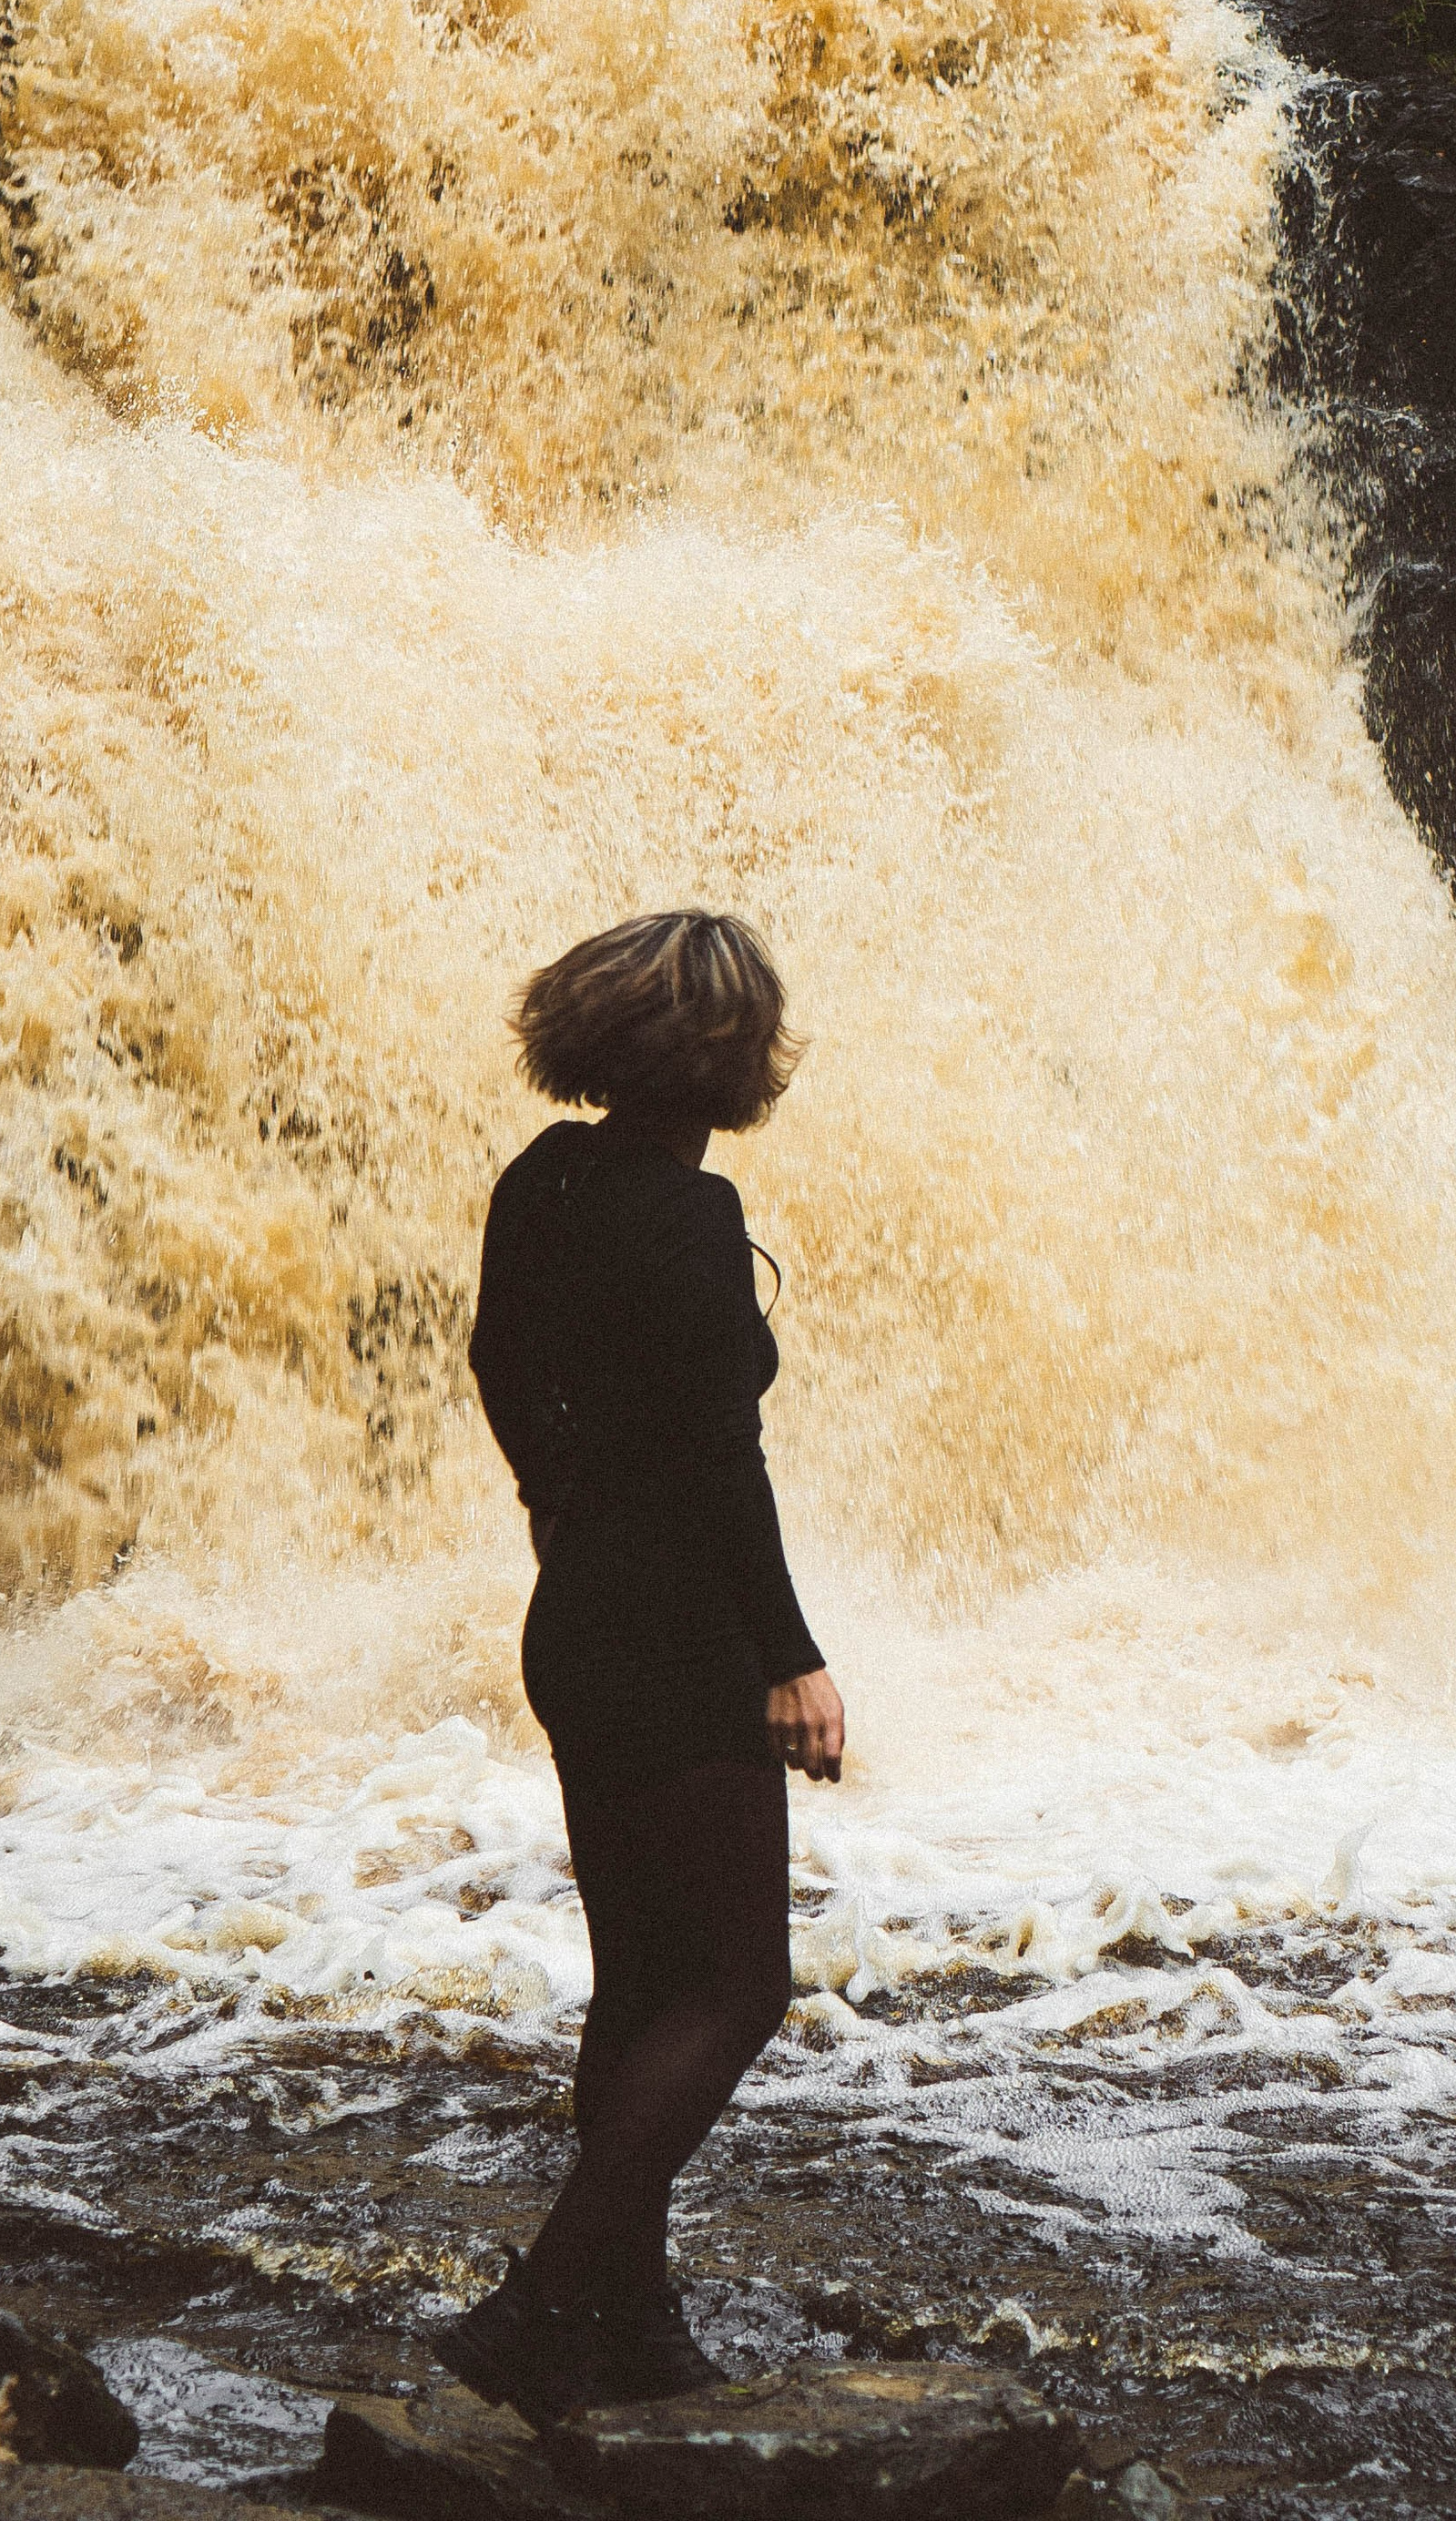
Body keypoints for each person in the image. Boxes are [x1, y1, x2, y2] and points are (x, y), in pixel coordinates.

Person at [434, 908, 845, 2427]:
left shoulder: (537, 1185)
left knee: (639, 1987)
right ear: (731, 1061)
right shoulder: (688, 1214)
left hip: (577, 1613)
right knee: (738, 1983)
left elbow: (495, 1368)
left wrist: (562, 1512)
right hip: (682, 1633)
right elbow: (722, 1460)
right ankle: (543, 2306)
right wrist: (790, 1659)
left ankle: (630, 2318)